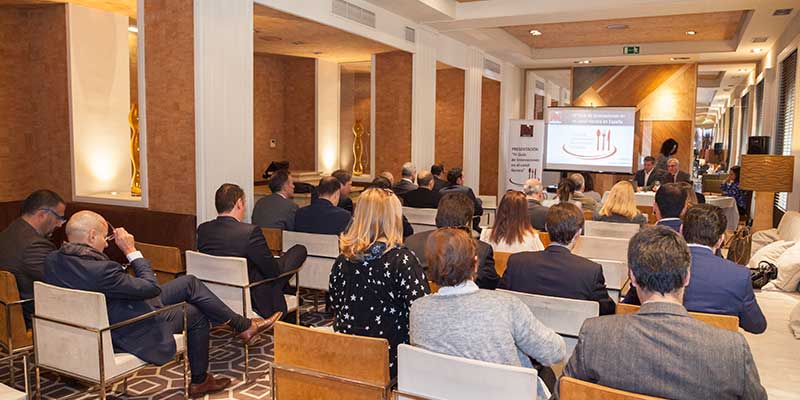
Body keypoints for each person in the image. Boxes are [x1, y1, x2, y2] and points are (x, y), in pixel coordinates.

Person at [45, 211, 277, 397]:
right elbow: (151, 287)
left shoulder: (53, 260)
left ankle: (243, 325)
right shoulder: (102, 270)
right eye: (105, 239)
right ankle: (200, 381)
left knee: (189, 283)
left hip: (102, 318)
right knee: (194, 313)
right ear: (91, 236)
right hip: (123, 327)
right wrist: (131, 251)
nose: (107, 245)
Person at [556, 226, 767, 399]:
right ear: (687, 277)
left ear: (633, 278)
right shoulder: (731, 349)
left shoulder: (595, 334)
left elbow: (563, 394)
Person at [410, 228, 566, 399]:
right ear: (475, 263)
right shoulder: (505, 305)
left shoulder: (418, 310)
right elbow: (554, 352)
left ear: (431, 266)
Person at [328, 188, 429, 377]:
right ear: (393, 218)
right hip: (390, 361)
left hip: (347, 354)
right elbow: (421, 312)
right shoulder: (403, 261)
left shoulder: (342, 260)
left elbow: (335, 303)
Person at [623, 204, 766, 334]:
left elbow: (626, 308)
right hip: (714, 350)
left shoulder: (655, 263)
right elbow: (756, 325)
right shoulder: (739, 275)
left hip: (657, 342)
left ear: (681, 231)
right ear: (720, 240)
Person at [198, 183, 308, 319]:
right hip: (250, 293)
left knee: (267, 268)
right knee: (299, 251)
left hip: (214, 295)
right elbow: (272, 272)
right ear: (239, 203)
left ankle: (286, 292)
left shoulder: (203, 230)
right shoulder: (249, 232)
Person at [499, 203, 615, 315]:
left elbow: (500, 297)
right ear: (578, 233)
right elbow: (607, 310)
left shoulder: (517, 262)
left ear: (546, 228)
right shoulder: (590, 271)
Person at [405, 192, 498, 290]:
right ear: (467, 222)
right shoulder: (481, 250)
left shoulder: (412, 243)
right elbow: (491, 286)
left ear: (437, 219)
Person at [0, 190, 66, 325]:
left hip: (6, 315)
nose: (60, 224)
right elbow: (61, 281)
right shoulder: (34, 245)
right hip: (28, 319)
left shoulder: (8, 232)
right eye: (58, 217)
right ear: (42, 214)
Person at [480, 191, 544, 253]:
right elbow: (541, 257)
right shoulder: (532, 238)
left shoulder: (485, 235)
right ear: (524, 213)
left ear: (501, 210)